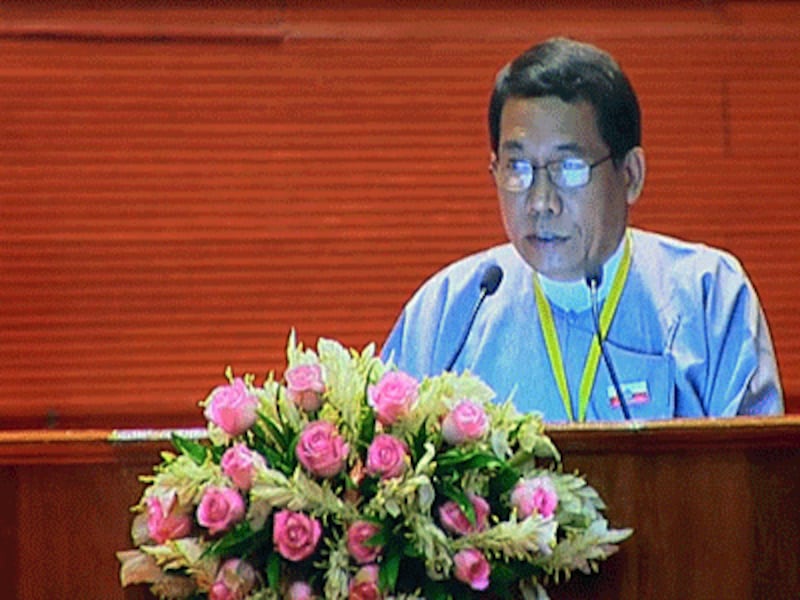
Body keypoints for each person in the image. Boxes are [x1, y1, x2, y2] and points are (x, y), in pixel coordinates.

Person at [381, 37, 783, 422]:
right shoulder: (450, 309)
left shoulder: (708, 295)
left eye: (568, 169)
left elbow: (752, 478)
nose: (541, 202)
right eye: (518, 168)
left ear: (630, 175)